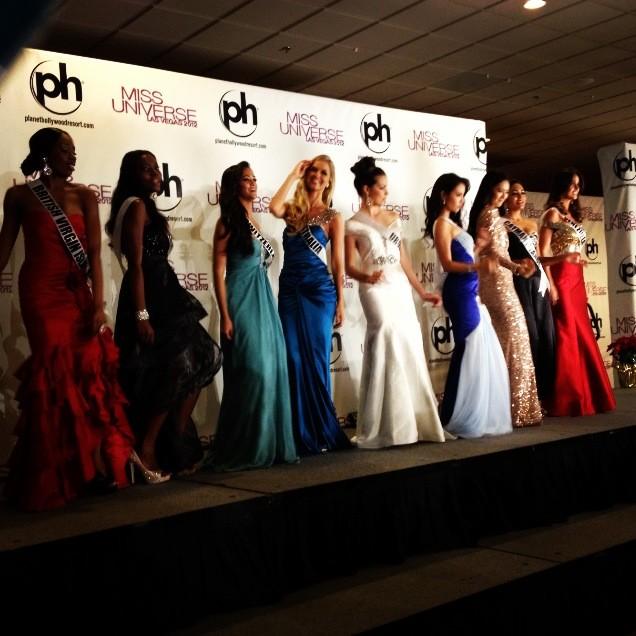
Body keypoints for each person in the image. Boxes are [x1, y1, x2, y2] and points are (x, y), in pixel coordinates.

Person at [0, 127, 133, 510]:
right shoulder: (18, 196)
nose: (72, 156)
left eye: (74, 150)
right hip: (40, 293)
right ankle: (56, 473)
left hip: (76, 294)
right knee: (54, 374)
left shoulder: (85, 196)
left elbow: (94, 254)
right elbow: (4, 247)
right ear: (45, 154)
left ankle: (91, 467)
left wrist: (98, 304)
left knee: (86, 373)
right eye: (64, 149)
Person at [106, 150, 221, 480]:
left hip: (165, 292)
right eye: (146, 169)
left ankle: (173, 437)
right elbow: (136, 266)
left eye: (156, 167)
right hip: (150, 297)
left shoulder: (147, 208)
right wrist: (142, 315)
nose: (155, 173)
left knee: (200, 357)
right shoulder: (136, 207)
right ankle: (147, 447)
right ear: (132, 176)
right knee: (171, 370)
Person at [344, 157, 446, 448]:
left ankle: (410, 422)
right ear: (367, 189)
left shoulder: (393, 218)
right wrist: (366, 276)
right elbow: (348, 267)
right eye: (382, 187)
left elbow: (404, 261)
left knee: (408, 342)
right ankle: (380, 425)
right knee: (384, 335)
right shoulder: (351, 224)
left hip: (398, 286)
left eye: (387, 188)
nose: (386, 193)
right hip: (373, 288)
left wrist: (421, 291)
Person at [209, 161, 297, 470]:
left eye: (254, 178)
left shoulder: (254, 221)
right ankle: (245, 445)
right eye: (247, 179)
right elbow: (218, 271)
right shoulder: (227, 223)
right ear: (235, 185)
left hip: (262, 298)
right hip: (240, 298)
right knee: (253, 370)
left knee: (271, 368)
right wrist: (225, 314)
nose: (253, 183)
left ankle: (267, 442)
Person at [269, 155, 352, 455]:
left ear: (329, 181)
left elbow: (337, 263)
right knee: (292, 357)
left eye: (323, 173)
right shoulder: (293, 211)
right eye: (313, 170)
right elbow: (274, 207)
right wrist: (294, 173)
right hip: (290, 290)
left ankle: (321, 431)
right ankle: (299, 432)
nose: (317, 175)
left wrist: (341, 301)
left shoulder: (333, 217)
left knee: (317, 360)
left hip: (319, 292)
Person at [424, 173, 512, 438]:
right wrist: (479, 265)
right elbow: (448, 264)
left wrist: (479, 248)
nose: (462, 200)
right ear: (444, 196)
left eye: (463, 196)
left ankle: (468, 410)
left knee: (475, 347)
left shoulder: (452, 223)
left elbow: (465, 258)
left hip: (470, 290)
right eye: (458, 194)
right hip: (459, 291)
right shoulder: (441, 224)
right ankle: (455, 414)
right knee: (469, 346)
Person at [467, 172, 542, 427]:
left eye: (506, 192)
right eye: (499, 191)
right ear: (489, 190)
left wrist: (515, 267)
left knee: (509, 340)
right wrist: (516, 267)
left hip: (503, 281)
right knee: (513, 338)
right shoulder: (488, 215)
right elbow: (495, 253)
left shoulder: (495, 216)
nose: (503, 196)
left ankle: (513, 406)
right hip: (496, 284)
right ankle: (512, 408)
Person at [539, 168, 615, 416]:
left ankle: (590, 395)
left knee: (582, 333)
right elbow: (542, 252)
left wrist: (578, 263)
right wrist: (551, 283)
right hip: (561, 277)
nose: (576, 189)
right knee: (567, 334)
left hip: (576, 279)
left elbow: (573, 250)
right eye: (572, 184)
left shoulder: (572, 215)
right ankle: (569, 398)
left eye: (578, 185)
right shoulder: (551, 214)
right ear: (561, 185)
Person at [503, 180, 556, 405]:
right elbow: (500, 256)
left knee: (547, 335)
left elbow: (539, 257)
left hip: (538, 282)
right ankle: (529, 395)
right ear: (506, 198)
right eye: (514, 193)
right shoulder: (502, 224)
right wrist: (517, 264)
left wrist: (551, 280)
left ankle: (546, 394)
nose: (520, 197)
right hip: (518, 282)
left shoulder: (532, 224)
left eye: (523, 193)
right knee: (531, 335)